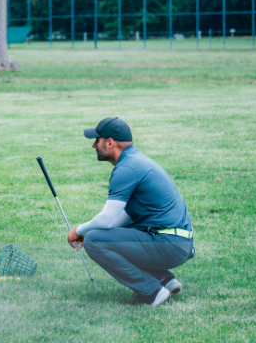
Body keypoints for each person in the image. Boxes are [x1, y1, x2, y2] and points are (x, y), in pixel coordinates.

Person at [68, 117, 195, 307]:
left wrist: (78, 231)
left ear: (110, 143)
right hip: (180, 243)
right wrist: (96, 234)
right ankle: (165, 280)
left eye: (97, 140)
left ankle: (152, 292)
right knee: (102, 236)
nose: (94, 145)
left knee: (95, 240)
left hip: (169, 244)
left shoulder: (126, 168)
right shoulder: (136, 160)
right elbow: (124, 217)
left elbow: (107, 218)